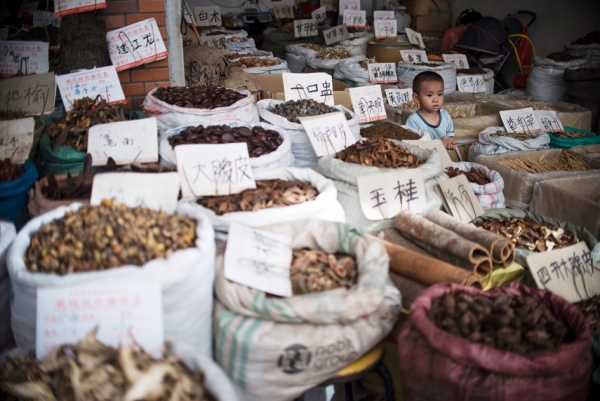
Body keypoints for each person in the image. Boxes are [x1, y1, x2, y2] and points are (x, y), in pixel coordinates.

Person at [406, 71, 456, 150]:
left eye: (439, 94)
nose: (436, 99)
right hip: (424, 161)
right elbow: (413, 146)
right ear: (416, 98)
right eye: (429, 95)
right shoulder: (413, 120)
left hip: (444, 159)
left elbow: (449, 137)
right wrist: (439, 144)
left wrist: (450, 143)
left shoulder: (445, 115)